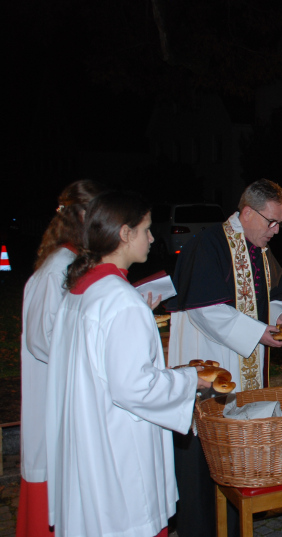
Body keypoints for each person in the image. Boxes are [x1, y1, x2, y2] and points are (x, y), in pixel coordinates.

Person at [44, 191, 209, 537]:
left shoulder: (82, 290)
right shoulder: (121, 301)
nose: (152, 238)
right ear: (124, 233)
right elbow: (134, 387)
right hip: (117, 454)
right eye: (146, 229)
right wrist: (190, 380)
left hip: (88, 443)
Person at [166, 178, 282, 537]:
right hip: (211, 363)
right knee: (204, 452)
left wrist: (281, 316)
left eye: (280, 223)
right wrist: (256, 333)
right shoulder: (208, 245)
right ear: (247, 212)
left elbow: (272, 295)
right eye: (271, 221)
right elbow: (203, 310)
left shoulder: (259, 248)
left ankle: (237, 524)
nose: (276, 230)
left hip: (245, 365)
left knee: (238, 452)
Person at [17, 180, 106, 537]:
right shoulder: (59, 266)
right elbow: (42, 339)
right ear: (83, 217)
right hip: (51, 401)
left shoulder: (71, 262)